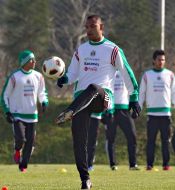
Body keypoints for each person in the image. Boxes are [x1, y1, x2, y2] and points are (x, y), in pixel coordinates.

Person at [55, 15, 140, 190]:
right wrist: (63, 79)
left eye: (93, 26)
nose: (89, 30)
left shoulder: (112, 49)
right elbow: (72, 74)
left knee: (94, 87)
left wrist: (134, 97)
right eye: (86, 27)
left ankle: (69, 111)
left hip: (102, 97)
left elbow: (127, 73)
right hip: (80, 99)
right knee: (79, 142)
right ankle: (85, 180)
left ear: (102, 27)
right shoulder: (81, 50)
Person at [1, 50, 48, 172]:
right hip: (17, 114)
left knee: (30, 141)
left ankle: (23, 165)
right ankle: (17, 150)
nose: (34, 62)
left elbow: (42, 92)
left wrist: (44, 101)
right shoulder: (15, 77)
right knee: (21, 138)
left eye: (34, 59)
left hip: (32, 115)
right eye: (31, 59)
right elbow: (4, 95)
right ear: (24, 62)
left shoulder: (39, 76)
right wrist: (7, 111)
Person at [138, 50, 175, 171]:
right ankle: (149, 165)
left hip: (165, 114)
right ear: (153, 60)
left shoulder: (170, 75)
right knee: (151, 141)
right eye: (159, 59)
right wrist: (138, 107)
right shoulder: (147, 75)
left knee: (166, 141)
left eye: (163, 60)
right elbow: (141, 93)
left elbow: (174, 93)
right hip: (152, 114)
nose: (161, 62)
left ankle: (166, 165)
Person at [105, 71, 139, 171]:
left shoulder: (126, 72)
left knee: (132, 136)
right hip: (111, 110)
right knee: (110, 138)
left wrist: (134, 107)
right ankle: (112, 164)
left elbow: (133, 89)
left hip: (124, 109)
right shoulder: (107, 71)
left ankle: (133, 164)